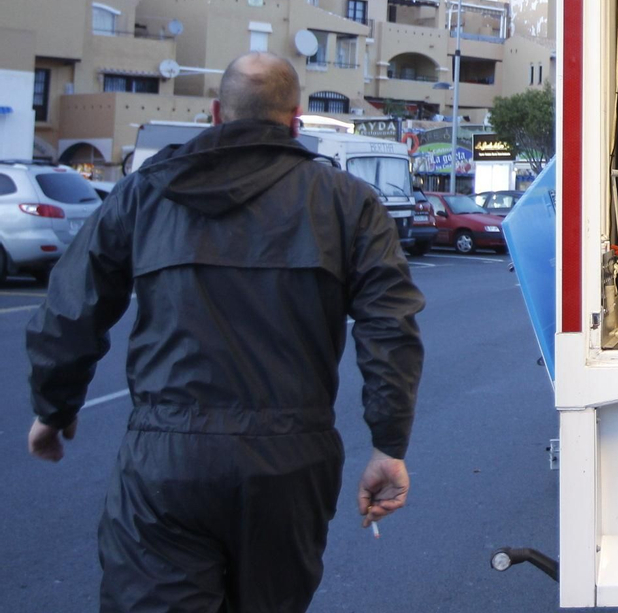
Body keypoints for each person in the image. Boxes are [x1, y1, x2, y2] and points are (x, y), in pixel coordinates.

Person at [25, 51, 425, 613]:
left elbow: (72, 305)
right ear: (296, 117)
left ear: (215, 113)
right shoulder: (347, 201)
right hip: (289, 465)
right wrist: (388, 444)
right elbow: (391, 324)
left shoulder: (147, 191)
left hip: (168, 463)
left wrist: (54, 406)